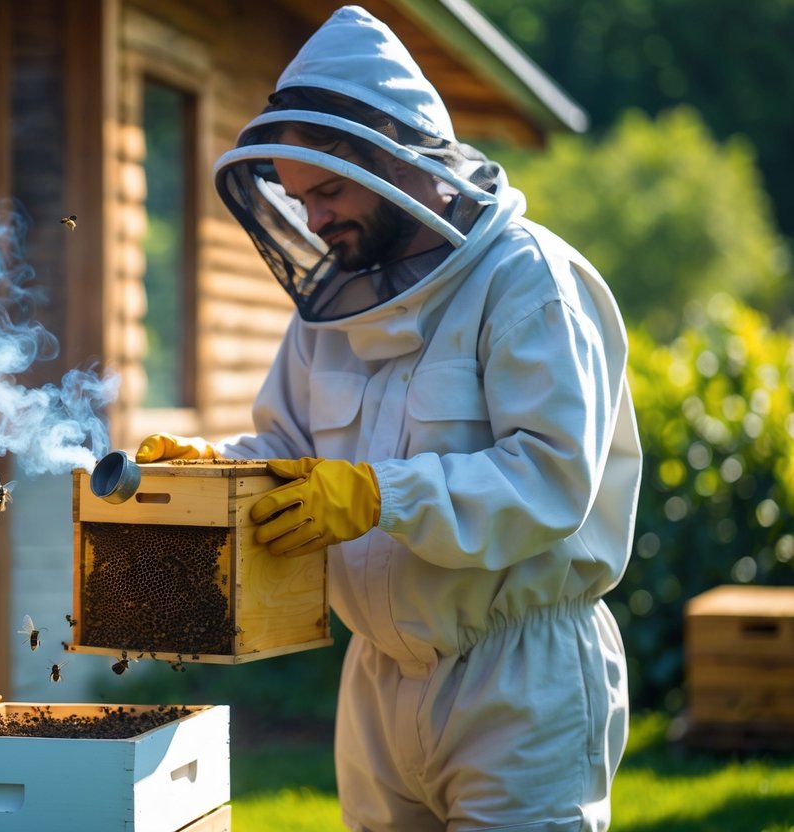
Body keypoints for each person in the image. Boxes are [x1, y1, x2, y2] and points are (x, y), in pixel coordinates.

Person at [135, 6, 642, 831]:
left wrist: (380, 497)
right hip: (375, 678)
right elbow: (289, 450)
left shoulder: (527, 284)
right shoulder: (330, 312)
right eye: (299, 199)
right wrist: (215, 467)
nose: (313, 219)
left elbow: (552, 482)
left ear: (402, 161)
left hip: (515, 675)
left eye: (328, 191)